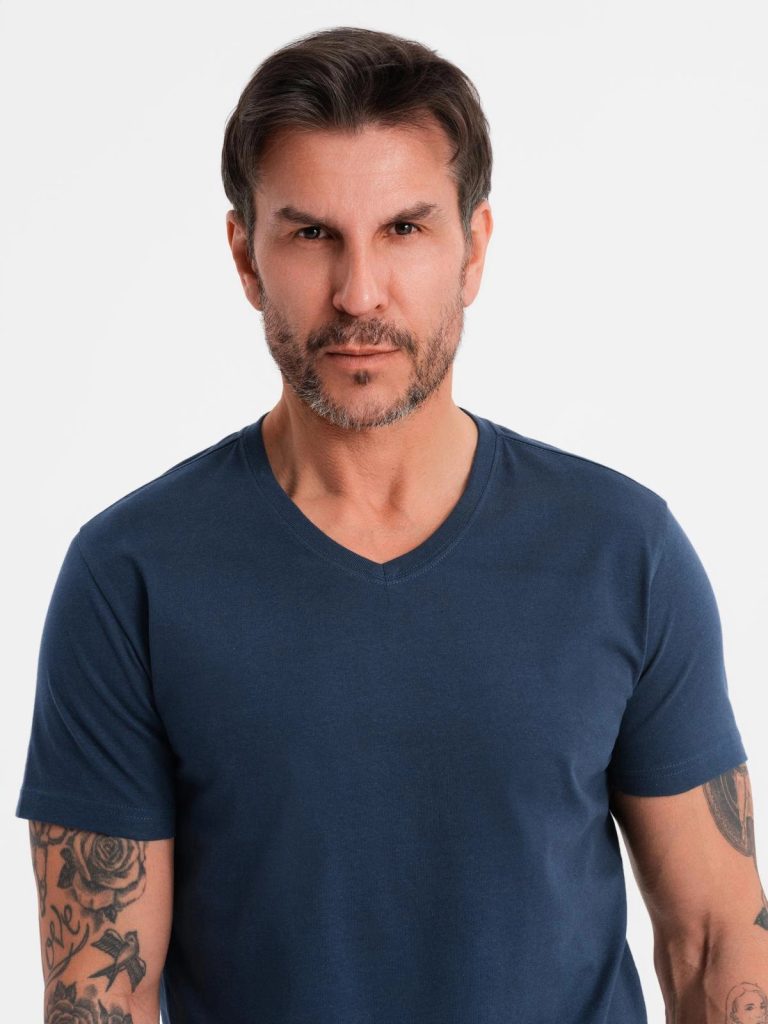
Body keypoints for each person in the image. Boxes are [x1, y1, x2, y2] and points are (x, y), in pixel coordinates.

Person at [15, 25, 766, 1024]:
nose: (358, 293)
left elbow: (718, 945)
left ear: (474, 249)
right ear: (246, 256)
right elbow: (97, 993)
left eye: (404, 229)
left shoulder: (624, 551)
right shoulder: (131, 575)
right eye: (311, 234)